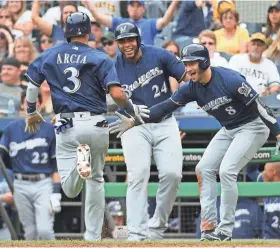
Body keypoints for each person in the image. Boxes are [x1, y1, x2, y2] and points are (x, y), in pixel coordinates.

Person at [109, 43, 280, 241]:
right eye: (186, 64)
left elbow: (261, 107)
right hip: (229, 129)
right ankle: (209, 229)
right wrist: (133, 120)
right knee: (203, 168)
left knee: (226, 171)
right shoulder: (191, 88)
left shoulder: (230, 79)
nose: (187, 68)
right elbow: (163, 108)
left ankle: (224, 231)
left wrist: (277, 134)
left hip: (253, 126)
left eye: (192, 63)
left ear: (204, 62)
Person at [23, 12, 148, 241]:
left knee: (71, 189)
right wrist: (130, 110)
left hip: (67, 124)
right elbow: (117, 94)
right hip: (97, 124)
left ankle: (81, 166)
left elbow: (32, 87)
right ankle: (92, 238)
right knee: (97, 179)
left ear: (66, 32)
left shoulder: (50, 54)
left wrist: (32, 111)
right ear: (89, 32)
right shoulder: (99, 57)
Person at [113, 22, 187, 241]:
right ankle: (136, 233)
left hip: (165, 121)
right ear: (117, 43)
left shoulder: (160, 55)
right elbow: (103, 97)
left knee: (173, 175)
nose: (127, 44)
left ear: (138, 39)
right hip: (133, 124)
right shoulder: (113, 66)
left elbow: (187, 78)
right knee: (138, 174)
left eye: (130, 39)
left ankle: (156, 227)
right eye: (122, 41)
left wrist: (177, 101)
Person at [0, 91, 61, 240]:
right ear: (22, 104)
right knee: (30, 232)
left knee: (45, 231)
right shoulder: (12, 128)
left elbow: (56, 166)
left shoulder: (49, 129)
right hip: (20, 183)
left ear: (40, 104)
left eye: (34, 101)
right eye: (27, 102)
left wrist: (56, 192)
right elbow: (2, 154)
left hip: (43, 182)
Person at [84, 0, 179, 45]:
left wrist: (175, 2)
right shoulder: (119, 22)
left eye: (138, 6)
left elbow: (165, 20)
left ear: (144, 9)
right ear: (127, 8)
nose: (135, 9)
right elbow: (98, 17)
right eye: (132, 5)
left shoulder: (150, 24)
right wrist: (88, 4)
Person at [247, 162, 280, 239]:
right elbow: (251, 171)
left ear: (273, 172)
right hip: (268, 241)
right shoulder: (266, 182)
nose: (262, 173)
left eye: (265, 170)